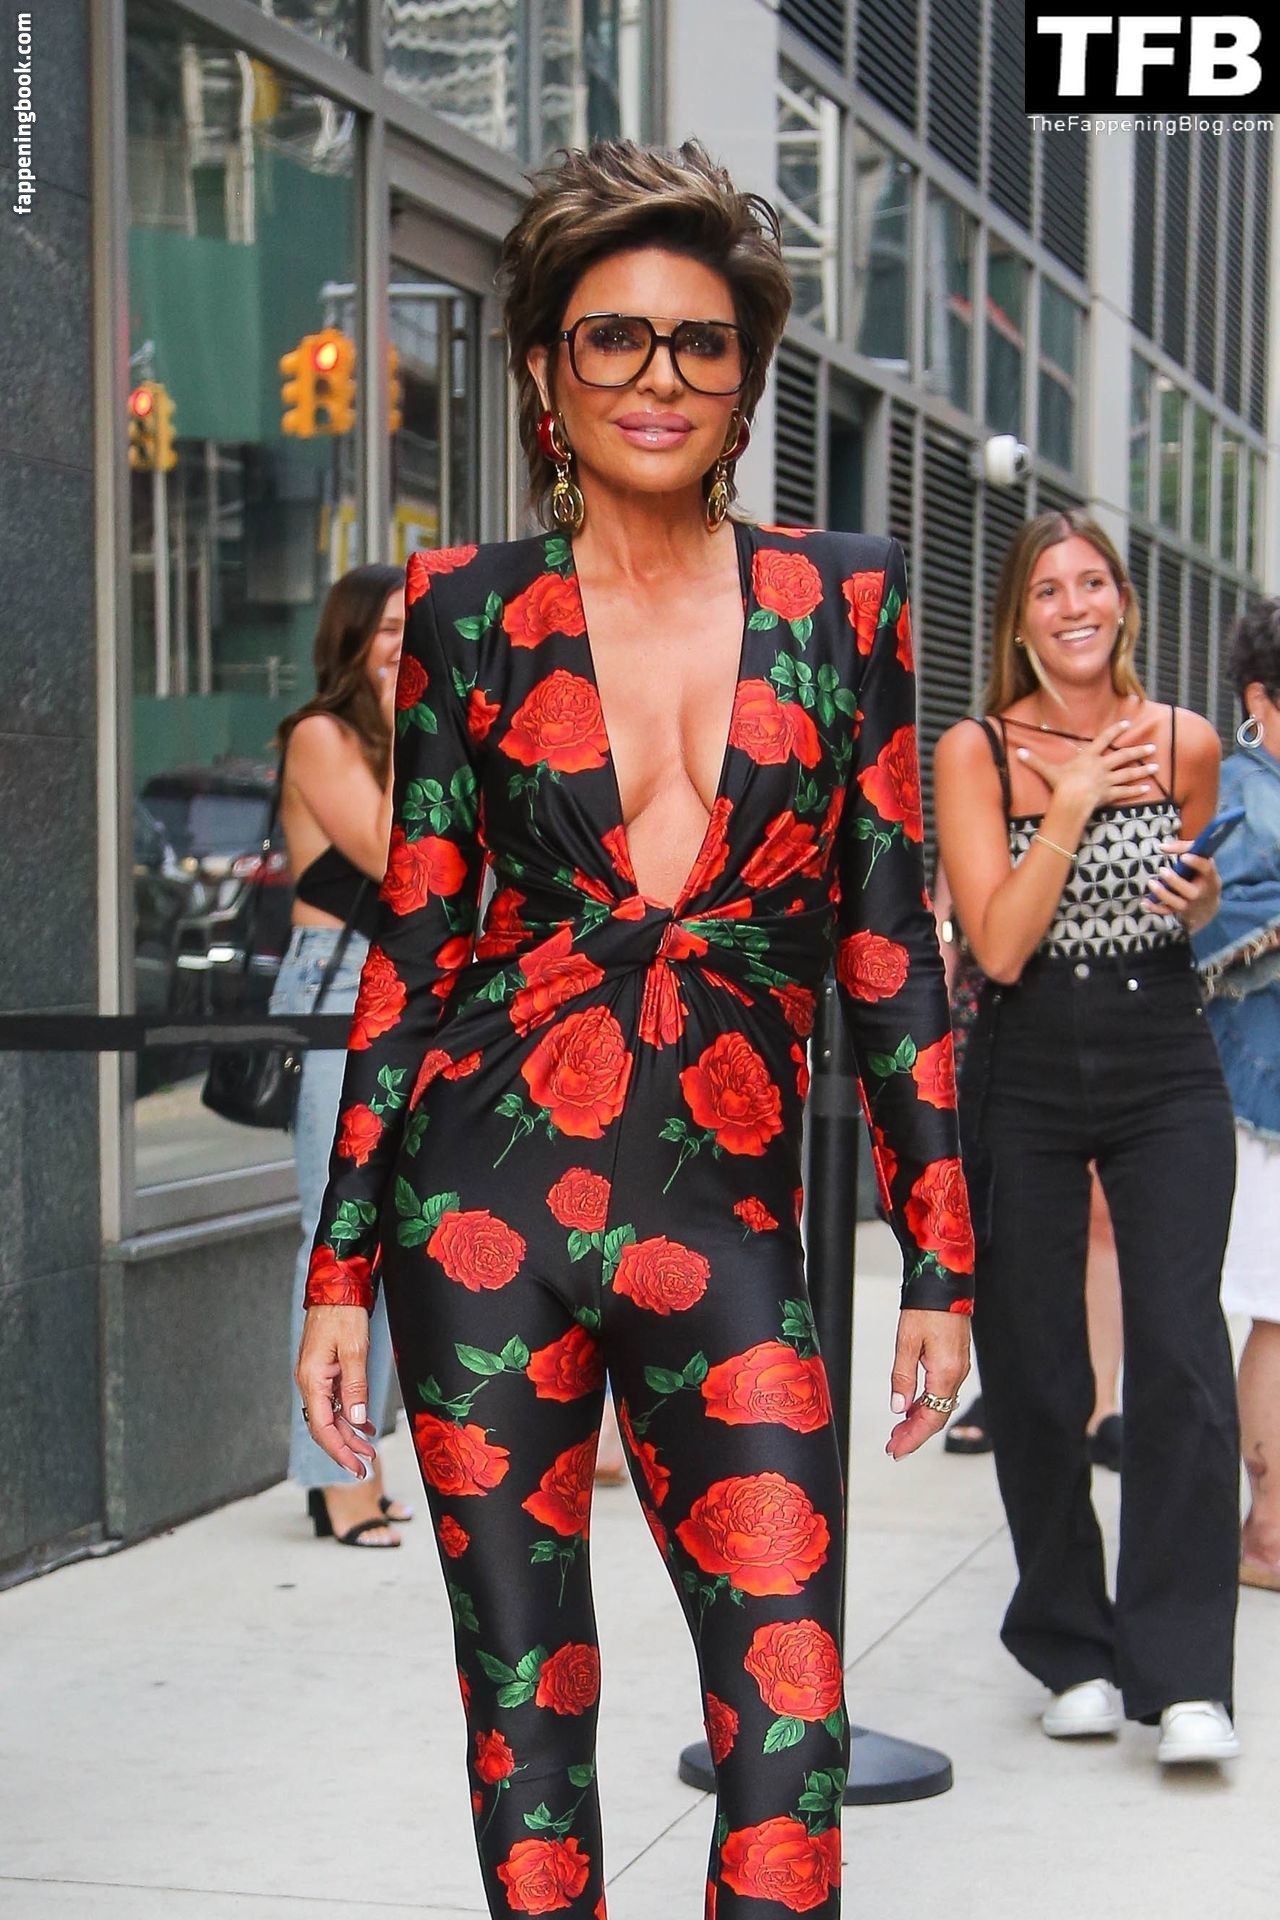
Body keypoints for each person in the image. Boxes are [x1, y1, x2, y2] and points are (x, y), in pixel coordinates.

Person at [295, 139, 973, 1917]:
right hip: (478, 1211)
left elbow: (887, 943)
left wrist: (945, 1257)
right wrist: (337, 1270)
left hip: (725, 1219)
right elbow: (414, 947)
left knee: (790, 1714)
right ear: (546, 367)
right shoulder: (465, 606)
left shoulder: (846, 599)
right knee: (526, 1711)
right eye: (614, 337)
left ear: (747, 376)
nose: (658, 377)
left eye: (699, 341)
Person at [934, 508, 1241, 1767]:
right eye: (1048, 589)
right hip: (1025, 1061)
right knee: (1036, 1370)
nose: (1074, 605)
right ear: (1017, 620)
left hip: (1161, 1052)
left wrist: (1201, 900)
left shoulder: (1183, 741)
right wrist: (1064, 800)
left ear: (1123, 601)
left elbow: (1187, 904)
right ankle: (1069, 1648)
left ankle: (1184, 1678)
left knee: (1179, 1359)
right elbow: (998, 946)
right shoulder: (974, 750)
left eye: (1092, 582)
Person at [270, 564, 412, 1548]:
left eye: (417, 630)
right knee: (336, 1238)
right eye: (390, 630)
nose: (407, 647)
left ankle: (357, 1455)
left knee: (391, 1241)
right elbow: (393, 856)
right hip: (336, 989)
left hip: (404, 993)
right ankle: (334, 1480)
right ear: (352, 639)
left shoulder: (407, 741)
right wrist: (410, 727)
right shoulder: (321, 735)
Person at [933, 868, 1124, 1469]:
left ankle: (1101, 1401)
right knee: (1002, 1207)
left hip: (1112, 980)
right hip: (995, 986)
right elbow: (950, 883)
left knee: (1101, 1215)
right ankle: (1009, 1387)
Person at [1192, 601, 1280, 1594]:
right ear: (1261, 697)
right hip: (1257, 1100)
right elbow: (1201, 925)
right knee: (1272, 1311)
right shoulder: (1237, 790)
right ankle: (1266, 1533)